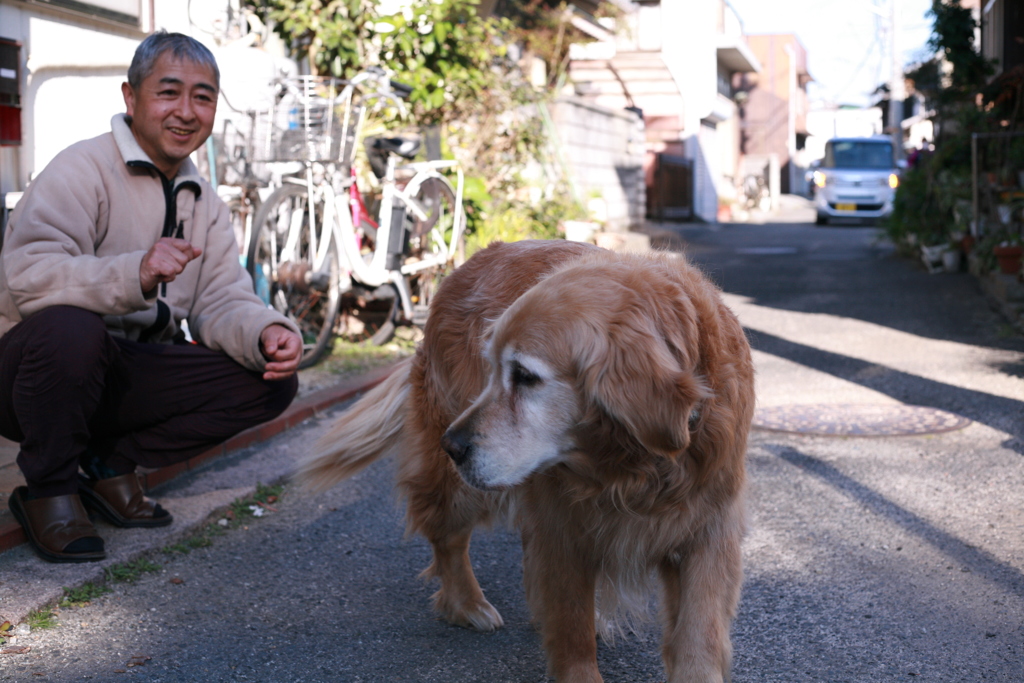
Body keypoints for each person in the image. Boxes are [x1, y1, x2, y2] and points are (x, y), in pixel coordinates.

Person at [0, 31, 303, 563]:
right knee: (74, 330)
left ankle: (108, 465)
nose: (186, 111)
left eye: (203, 97)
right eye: (169, 92)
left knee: (270, 380)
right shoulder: (80, 168)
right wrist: (134, 272)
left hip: (119, 371)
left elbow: (221, 299)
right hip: (28, 375)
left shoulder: (203, 200)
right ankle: (49, 489)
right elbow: (29, 275)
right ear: (131, 97)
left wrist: (266, 331)